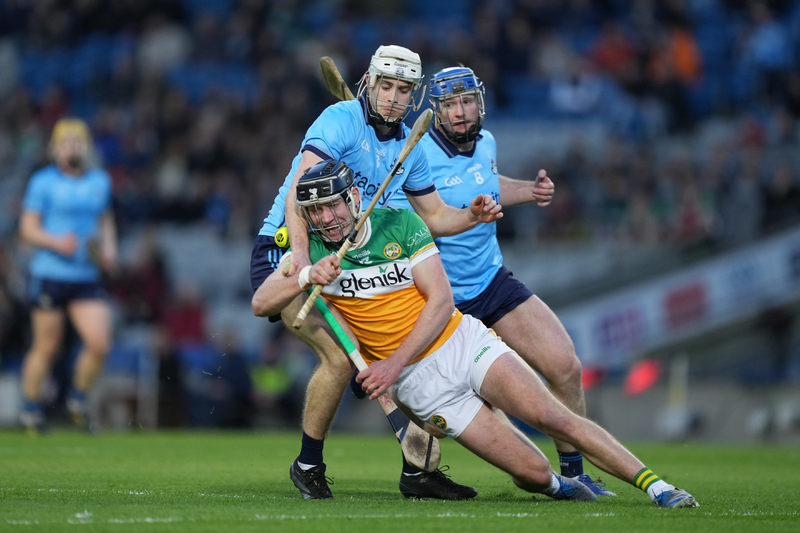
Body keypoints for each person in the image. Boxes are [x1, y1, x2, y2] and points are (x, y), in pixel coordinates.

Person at [252, 160, 699, 508]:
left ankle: (658, 487)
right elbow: (261, 303)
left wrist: (390, 364)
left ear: (353, 197)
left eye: (333, 204)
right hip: (425, 389)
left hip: (463, 344)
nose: (327, 218)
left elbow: (442, 301)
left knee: (555, 418)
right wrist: (308, 273)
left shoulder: (399, 225)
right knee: (533, 474)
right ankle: (560, 486)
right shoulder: (313, 255)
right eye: (316, 211)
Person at [250, 45, 501, 500]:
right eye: (386, 86)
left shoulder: (410, 147)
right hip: (289, 247)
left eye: (403, 89)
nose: (392, 97)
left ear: (414, 97)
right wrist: (304, 263)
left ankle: (418, 473)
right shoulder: (341, 119)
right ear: (369, 82)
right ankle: (308, 464)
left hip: (349, 257)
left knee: (403, 344)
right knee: (341, 355)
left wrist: (474, 216)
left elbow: (437, 216)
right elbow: (298, 194)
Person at [386, 66, 611, 495]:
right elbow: (404, 224)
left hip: (491, 280)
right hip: (442, 298)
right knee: (454, 403)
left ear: (479, 103)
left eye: (465, 102)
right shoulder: (416, 156)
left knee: (565, 366)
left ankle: (575, 472)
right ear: (436, 111)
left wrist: (529, 190)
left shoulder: (486, 142)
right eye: (449, 105)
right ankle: (416, 472)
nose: (459, 112)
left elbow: (486, 182)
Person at [18, 118, 118, 435]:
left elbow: (105, 220)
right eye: (65, 143)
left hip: (85, 275)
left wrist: (110, 250)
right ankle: (31, 410)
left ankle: (76, 401)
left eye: (77, 142)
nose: (71, 148)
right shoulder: (42, 182)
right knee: (47, 346)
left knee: (99, 343)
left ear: (86, 147)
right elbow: (27, 229)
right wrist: (55, 242)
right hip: (51, 273)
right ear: (54, 148)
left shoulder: (100, 181)